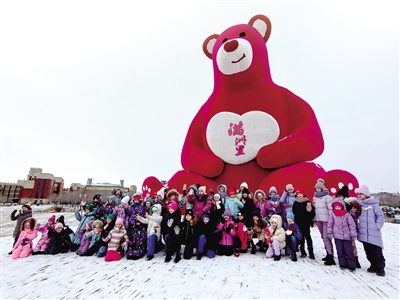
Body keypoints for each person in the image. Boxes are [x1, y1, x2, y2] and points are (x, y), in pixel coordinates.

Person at [355, 185, 386, 276]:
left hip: (373, 232)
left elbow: (380, 217)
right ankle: (373, 265)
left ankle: (380, 268)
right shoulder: (358, 205)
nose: (359, 196)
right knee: (368, 251)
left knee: (377, 251)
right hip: (364, 233)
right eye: (358, 194)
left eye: (361, 194)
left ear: (366, 194)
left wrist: (377, 226)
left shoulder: (374, 205)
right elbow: (356, 216)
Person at [327, 198, 357, 271]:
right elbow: (330, 224)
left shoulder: (347, 215)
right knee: (340, 251)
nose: (337, 208)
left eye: (339, 207)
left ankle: (351, 264)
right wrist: (329, 232)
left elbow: (352, 225)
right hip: (337, 236)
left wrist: (353, 234)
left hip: (347, 236)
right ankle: (342, 263)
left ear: (342, 206)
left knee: (349, 251)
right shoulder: (332, 214)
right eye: (336, 207)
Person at [313, 179, 335, 265]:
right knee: (323, 237)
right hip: (318, 219)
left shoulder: (327, 197)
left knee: (327, 237)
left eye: (319, 188)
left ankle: (331, 255)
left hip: (326, 220)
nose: (318, 190)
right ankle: (327, 253)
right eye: (317, 188)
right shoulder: (315, 197)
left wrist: (330, 220)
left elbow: (330, 209)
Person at [292, 187, 315, 259]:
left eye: (300, 193)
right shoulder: (295, 202)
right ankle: (303, 251)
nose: (299, 195)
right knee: (301, 237)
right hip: (298, 221)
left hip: (306, 222)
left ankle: (311, 252)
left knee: (307, 236)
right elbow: (294, 211)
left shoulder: (307, 202)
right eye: (298, 194)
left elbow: (311, 213)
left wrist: (309, 211)